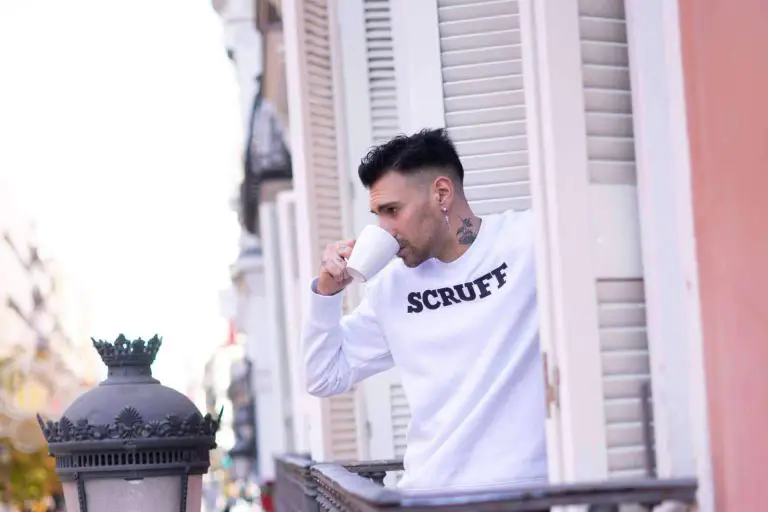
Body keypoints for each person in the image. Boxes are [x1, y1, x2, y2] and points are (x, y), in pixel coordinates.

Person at [302, 128, 548, 492]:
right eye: (378, 215)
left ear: (442, 194)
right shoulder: (390, 286)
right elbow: (323, 376)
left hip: (526, 492)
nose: (384, 229)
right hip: (426, 495)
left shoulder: (528, 241)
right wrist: (326, 292)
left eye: (392, 211)